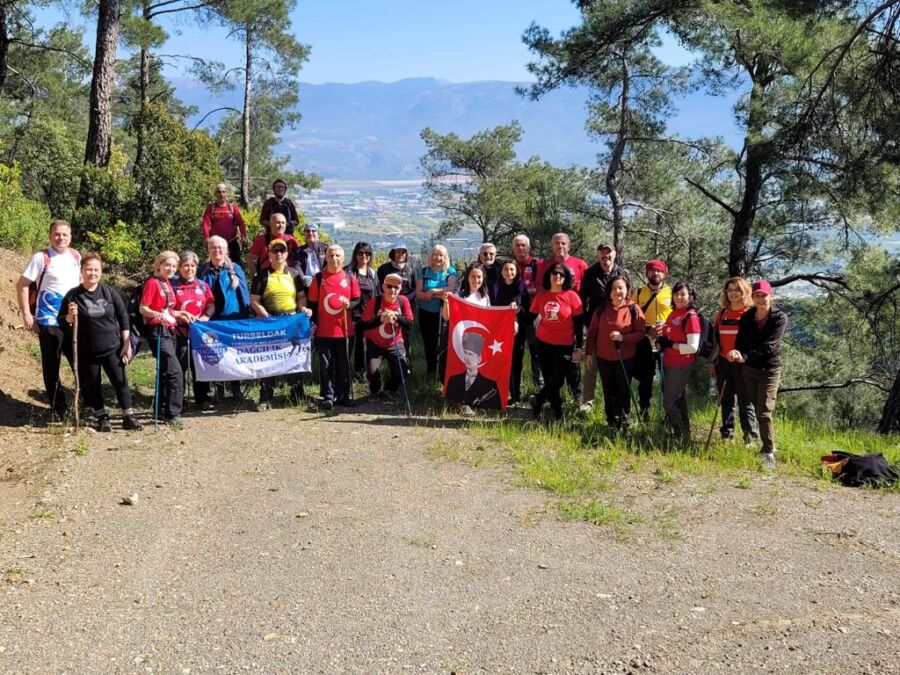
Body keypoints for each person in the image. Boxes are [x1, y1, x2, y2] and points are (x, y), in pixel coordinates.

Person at [58, 253, 142, 431]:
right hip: (86, 351)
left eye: (96, 269)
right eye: (89, 269)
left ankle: (129, 416)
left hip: (113, 347)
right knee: (93, 384)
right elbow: (62, 321)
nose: (92, 273)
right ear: (81, 271)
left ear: (101, 272)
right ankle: (102, 417)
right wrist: (70, 317)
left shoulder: (110, 293)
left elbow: (123, 317)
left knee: (120, 382)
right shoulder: (73, 296)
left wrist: (126, 344)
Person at [15, 219, 82, 418]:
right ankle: (58, 408)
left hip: (72, 320)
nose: (61, 238)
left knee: (79, 361)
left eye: (65, 234)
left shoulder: (75, 256)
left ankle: (83, 403)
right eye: (57, 234)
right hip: (49, 320)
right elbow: (22, 285)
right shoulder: (41, 257)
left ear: (70, 236)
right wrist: (27, 313)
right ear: (50, 236)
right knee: (52, 365)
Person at [726, 280, 788, 469]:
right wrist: (736, 352)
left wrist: (743, 356)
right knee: (754, 405)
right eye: (757, 296)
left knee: (764, 411)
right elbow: (740, 341)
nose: (761, 299)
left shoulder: (779, 318)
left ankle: (768, 451)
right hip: (749, 369)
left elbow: (770, 346)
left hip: (769, 369)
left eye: (764, 295)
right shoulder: (747, 317)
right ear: (752, 297)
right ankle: (762, 445)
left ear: (771, 296)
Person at [250, 238, 312, 409]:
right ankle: (266, 397)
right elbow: (254, 300)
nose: (278, 254)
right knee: (269, 359)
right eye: (275, 251)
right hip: (270, 321)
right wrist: (267, 317)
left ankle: (297, 393)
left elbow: (301, 297)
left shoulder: (293, 273)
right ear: (269, 254)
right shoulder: (261, 275)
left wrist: (303, 310)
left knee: (295, 357)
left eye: (282, 251)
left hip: (292, 321)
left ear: (286, 254)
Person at [585, 275, 645, 432]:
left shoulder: (634, 309)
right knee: (608, 390)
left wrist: (623, 337)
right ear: (609, 292)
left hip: (625, 359)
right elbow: (591, 333)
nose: (618, 291)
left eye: (621, 288)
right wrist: (588, 353)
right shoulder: (601, 309)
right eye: (614, 288)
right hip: (603, 357)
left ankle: (624, 422)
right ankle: (611, 421)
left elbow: (640, 333)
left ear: (627, 291)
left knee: (623, 390)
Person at [197, 236, 251, 404]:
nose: (217, 250)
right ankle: (218, 388)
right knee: (214, 353)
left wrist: (245, 316)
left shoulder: (235, 269)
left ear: (226, 250)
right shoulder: (203, 271)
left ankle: (236, 388)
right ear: (208, 250)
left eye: (220, 247)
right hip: (211, 319)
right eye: (213, 247)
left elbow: (244, 294)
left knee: (233, 354)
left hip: (232, 318)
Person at [306, 245, 361, 409]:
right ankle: (328, 396)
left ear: (343, 259)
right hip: (324, 331)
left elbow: (357, 300)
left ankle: (343, 396)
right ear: (326, 258)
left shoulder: (350, 278)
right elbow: (313, 304)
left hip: (345, 331)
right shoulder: (318, 278)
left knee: (343, 365)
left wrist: (348, 305)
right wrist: (313, 324)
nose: (334, 258)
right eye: (331, 255)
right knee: (326, 366)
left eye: (338, 255)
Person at [530, 263, 584, 421]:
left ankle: (538, 400)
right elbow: (529, 317)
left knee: (557, 380)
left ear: (566, 278)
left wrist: (578, 347)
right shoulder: (541, 296)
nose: (557, 276)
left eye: (561, 274)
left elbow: (579, 325)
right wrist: (515, 310)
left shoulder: (572, 296)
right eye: (554, 273)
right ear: (549, 276)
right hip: (543, 343)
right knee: (549, 380)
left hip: (564, 345)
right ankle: (557, 412)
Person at [580, 243, 630, 411]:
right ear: (598, 254)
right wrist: (588, 322)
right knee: (590, 365)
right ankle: (587, 402)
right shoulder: (590, 274)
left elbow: (629, 299)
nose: (606, 256)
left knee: (617, 368)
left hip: (619, 327)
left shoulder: (623, 274)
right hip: (596, 326)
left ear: (615, 254)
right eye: (602, 252)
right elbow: (582, 300)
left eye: (609, 253)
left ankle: (618, 404)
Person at [139, 251, 186, 424]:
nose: (171, 269)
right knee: (175, 371)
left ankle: (160, 410)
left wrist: (180, 313)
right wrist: (155, 314)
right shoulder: (152, 283)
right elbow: (143, 308)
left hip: (170, 330)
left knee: (166, 371)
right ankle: (174, 414)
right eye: (167, 265)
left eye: (174, 266)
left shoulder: (166, 282)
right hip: (158, 331)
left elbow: (168, 308)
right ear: (159, 264)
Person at [712, 276, 759, 443]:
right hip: (723, 363)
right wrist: (713, 362)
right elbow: (716, 340)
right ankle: (727, 435)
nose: (733, 293)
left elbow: (755, 341)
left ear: (745, 292)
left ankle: (751, 439)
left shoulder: (750, 313)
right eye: (730, 290)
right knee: (726, 400)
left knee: (746, 402)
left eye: (737, 290)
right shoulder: (721, 314)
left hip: (742, 364)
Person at [358, 273, 414, 399]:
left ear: (400, 289)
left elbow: (410, 324)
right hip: (375, 343)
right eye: (389, 286)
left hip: (395, 343)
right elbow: (363, 325)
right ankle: (376, 388)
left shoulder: (403, 301)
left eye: (396, 287)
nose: (392, 290)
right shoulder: (375, 301)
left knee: (403, 372)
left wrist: (396, 317)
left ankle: (389, 388)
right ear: (383, 287)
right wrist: (381, 319)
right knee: (371, 373)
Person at [658, 281, 702, 442]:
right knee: (678, 399)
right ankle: (684, 433)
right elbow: (669, 334)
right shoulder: (674, 313)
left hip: (681, 364)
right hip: (670, 363)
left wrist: (670, 345)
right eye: (676, 294)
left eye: (683, 294)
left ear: (690, 296)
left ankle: (679, 434)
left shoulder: (691, 317)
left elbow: (692, 347)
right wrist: (662, 341)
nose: (679, 297)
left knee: (669, 401)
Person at [172, 251, 215, 411]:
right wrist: (178, 317)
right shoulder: (172, 285)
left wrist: (206, 316)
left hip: (199, 333)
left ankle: (202, 398)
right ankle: (178, 400)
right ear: (179, 267)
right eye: (185, 265)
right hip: (179, 333)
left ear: (196, 267)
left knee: (200, 365)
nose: (188, 268)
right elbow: (167, 307)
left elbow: (211, 305)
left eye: (192, 265)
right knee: (179, 367)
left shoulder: (203, 285)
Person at [631, 259, 672, 418]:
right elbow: (631, 316)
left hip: (666, 343)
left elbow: (677, 316)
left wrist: (666, 329)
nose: (656, 273)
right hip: (644, 342)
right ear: (647, 273)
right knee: (645, 380)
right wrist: (648, 328)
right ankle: (644, 411)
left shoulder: (671, 293)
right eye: (652, 270)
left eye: (659, 271)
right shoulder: (638, 293)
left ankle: (669, 415)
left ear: (664, 273)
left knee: (667, 381)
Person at [415, 244, 457, 377]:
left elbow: (451, 289)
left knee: (444, 341)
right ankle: (431, 371)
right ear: (431, 256)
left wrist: (433, 291)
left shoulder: (450, 271)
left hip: (445, 312)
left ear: (445, 257)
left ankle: (444, 371)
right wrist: (439, 294)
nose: (438, 257)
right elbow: (419, 294)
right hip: (426, 312)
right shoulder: (424, 272)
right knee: (429, 342)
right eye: (435, 254)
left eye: (441, 255)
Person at [491, 258, 528, 404]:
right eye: (506, 269)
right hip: (499, 331)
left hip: (517, 332)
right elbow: (491, 308)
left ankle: (515, 394)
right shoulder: (495, 288)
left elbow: (527, 309)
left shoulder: (521, 288)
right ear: (501, 272)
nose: (509, 272)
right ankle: (500, 392)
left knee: (516, 363)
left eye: (512, 269)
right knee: (500, 361)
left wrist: (519, 309)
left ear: (516, 272)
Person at [511, 234, 542, 389]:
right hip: (515, 315)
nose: (520, 248)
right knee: (516, 352)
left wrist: (532, 290)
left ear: (529, 248)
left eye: (523, 245)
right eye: (517, 245)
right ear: (513, 248)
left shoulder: (538, 264)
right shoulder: (510, 265)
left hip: (534, 314)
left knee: (536, 351)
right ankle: (515, 389)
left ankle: (539, 389)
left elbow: (544, 287)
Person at [346, 241, 380, 380]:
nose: (364, 256)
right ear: (355, 254)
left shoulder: (372, 273)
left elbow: (377, 294)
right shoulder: (347, 272)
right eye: (360, 253)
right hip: (350, 315)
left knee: (363, 345)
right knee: (349, 346)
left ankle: (361, 372)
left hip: (367, 316)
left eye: (367, 253)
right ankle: (345, 372)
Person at [445, 330, 502, 411]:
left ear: (479, 359)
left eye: (471, 354)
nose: (467, 357)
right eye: (465, 352)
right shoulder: (453, 380)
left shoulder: (490, 384)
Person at [376, 242, 416, 356]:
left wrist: (405, 299)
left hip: (405, 308)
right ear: (393, 253)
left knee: (406, 336)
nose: (401, 254)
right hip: (387, 307)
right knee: (387, 334)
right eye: (398, 251)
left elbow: (414, 288)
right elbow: (379, 287)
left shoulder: (410, 269)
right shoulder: (383, 269)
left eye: (403, 252)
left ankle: (406, 362)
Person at [201, 183, 247, 265]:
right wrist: (206, 237)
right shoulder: (211, 208)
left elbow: (241, 223)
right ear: (215, 194)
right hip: (216, 243)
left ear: (226, 193)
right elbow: (205, 223)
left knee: (236, 266)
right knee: (216, 265)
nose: (221, 194)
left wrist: (243, 236)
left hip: (232, 243)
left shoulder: (233, 207)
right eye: (219, 192)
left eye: (223, 192)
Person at [247, 213, 300, 278]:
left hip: (287, 277)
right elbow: (251, 258)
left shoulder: (291, 239)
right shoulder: (261, 239)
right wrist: (255, 275)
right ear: (271, 224)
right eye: (278, 223)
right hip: (267, 277)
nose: (281, 225)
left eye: (283, 223)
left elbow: (300, 257)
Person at [292, 223, 328, 287]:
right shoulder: (299, 251)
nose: (310, 233)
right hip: (306, 285)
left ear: (318, 233)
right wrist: (302, 277)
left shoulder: (326, 248)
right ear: (304, 234)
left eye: (313, 231)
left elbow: (329, 263)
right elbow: (296, 265)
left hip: (323, 283)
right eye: (307, 231)